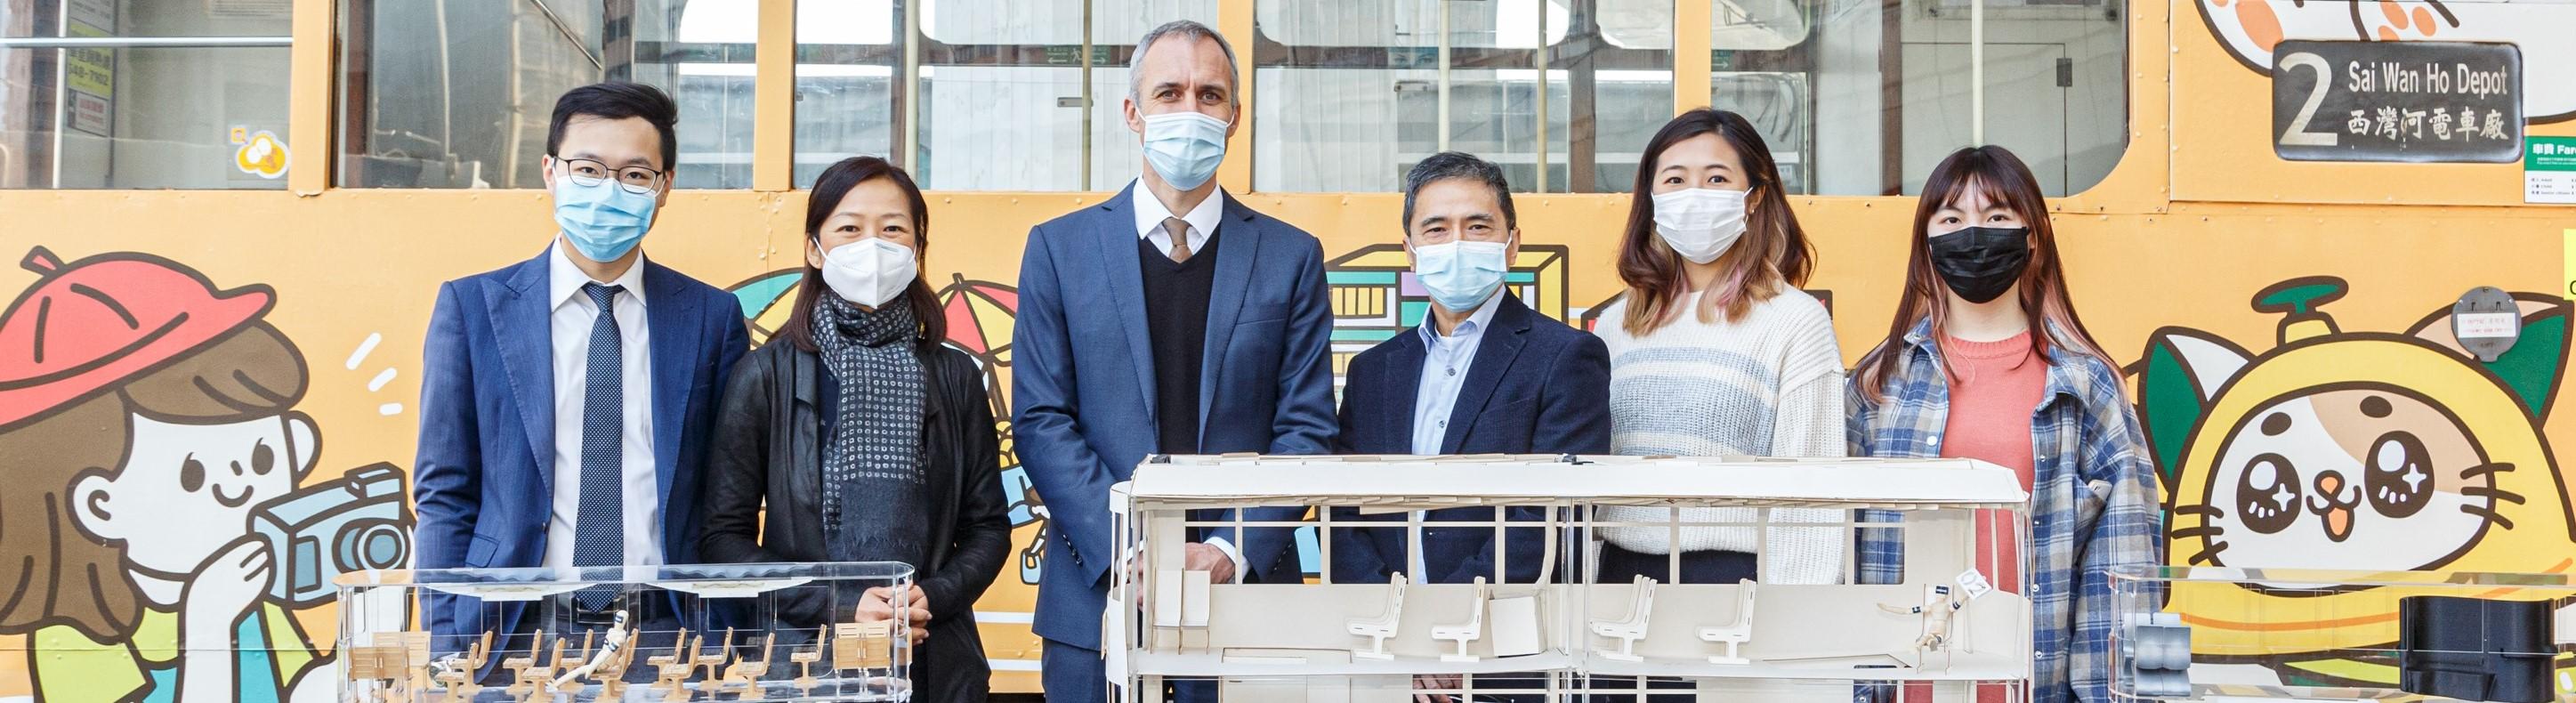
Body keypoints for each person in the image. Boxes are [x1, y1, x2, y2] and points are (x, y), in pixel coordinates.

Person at [1012, 20, 1338, 703]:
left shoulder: (1290, 257)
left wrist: (1226, 549)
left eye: (1209, 95)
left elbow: (1305, 429)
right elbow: (1042, 418)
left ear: (1234, 117)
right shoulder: (1058, 250)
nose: (1190, 110)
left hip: (1248, 607)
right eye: (1169, 93)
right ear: (1133, 113)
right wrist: (1131, 548)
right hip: (1096, 603)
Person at [412, 82, 749, 675]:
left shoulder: (710, 319)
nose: (609, 189)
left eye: (635, 175)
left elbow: (727, 498)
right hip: (510, 628)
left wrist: (727, 634)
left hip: (667, 630)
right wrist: (445, 642)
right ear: (550, 171)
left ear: (664, 188)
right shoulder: (473, 308)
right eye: (588, 168)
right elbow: (446, 490)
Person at [1845, 145, 2160, 703]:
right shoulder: (1878, 382)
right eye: (1952, 219)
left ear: (2032, 236)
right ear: (1927, 242)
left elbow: (2124, 562)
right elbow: (1837, 547)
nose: (1974, 234)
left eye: (1996, 218)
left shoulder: (2085, 384)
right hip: (1900, 685)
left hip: (2033, 685)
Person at [698, 156, 1011, 702]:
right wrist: (841, 602)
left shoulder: (955, 375)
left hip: (935, 659)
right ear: (814, 248)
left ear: (916, 249)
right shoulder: (765, 375)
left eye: (893, 228)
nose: (873, 243)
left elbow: (987, 527)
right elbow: (723, 539)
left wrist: (929, 598)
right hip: (801, 663)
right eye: (849, 227)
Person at [1329, 152, 1611, 702]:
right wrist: (1397, 631)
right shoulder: (1373, 370)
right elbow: (1343, 509)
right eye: (1436, 228)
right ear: (1410, 251)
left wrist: (1446, 629)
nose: (1456, 241)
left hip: (1511, 659)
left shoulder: (1566, 357)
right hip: (1384, 658)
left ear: (1512, 242)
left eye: (1477, 226)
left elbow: (1551, 517)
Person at [1590, 108, 1845, 587]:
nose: (1694, 195)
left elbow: (1811, 495)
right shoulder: (1616, 324)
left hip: (1734, 580)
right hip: (1619, 577)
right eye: (1675, 179)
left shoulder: (1795, 321)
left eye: (1716, 178)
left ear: (1753, 198)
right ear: (1651, 197)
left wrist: (1793, 620)